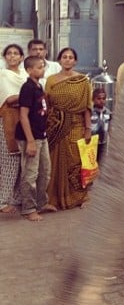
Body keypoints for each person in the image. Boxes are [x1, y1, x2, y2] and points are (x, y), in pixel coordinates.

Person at [45, 47, 92, 210]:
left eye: (71, 57)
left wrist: (88, 128)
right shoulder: (51, 80)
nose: (67, 60)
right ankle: (53, 199)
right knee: (54, 162)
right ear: (59, 60)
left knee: (76, 162)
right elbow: (47, 104)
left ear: (75, 61)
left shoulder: (82, 81)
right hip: (56, 127)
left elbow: (87, 106)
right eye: (64, 57)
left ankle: (80, 197)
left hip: (76, 125)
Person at [14, 55, 56, 221]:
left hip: (41, 135)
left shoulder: (38, 87)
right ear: (29, 70)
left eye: (43, 67)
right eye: (39, 67)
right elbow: (23, 116)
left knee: (45, 171)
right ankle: (28, 208)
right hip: (30, 137)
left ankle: (41, 203)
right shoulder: (27, 88)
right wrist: (30, 141)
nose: (42, 69)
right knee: (30, 174)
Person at [0, 44, 27, 214]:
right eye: (8, 54)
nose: (12, 56)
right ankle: (2, 200)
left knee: (21, 160)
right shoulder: (2, 75)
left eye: (16, 53)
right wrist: (29, 97)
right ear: (4, 57)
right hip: (7, 119)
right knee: (8, 161)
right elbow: (9, 99)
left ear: (22, 57)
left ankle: (16, 198)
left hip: (25, 120)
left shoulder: (25, 75)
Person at [90, 87, 111, 166]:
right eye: (98, 98)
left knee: (102, 165)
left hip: (103, 143)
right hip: (92, 144)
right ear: (93, 99)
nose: (101, 101)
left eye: (103, 98)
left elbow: (109, 129)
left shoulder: (108, 113)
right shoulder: (90, 113)